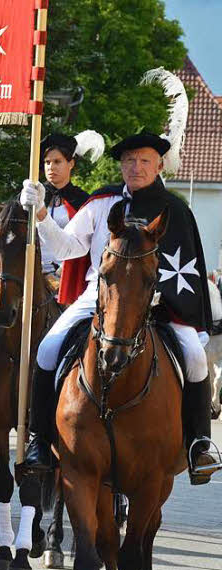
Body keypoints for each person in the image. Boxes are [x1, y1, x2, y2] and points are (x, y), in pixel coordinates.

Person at [19, 129, 217, 483]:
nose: (136, 167)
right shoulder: (101, 203)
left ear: (158, 166)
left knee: (195, 356)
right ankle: (40, 439)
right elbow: (66, 249)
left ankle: (199, 442)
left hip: (161, 302)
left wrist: (161, 296)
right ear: (121, 166)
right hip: (100, 295)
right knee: (48, 348)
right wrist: (41, 218)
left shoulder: (175, 210)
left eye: (144, 161)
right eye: (129, 161)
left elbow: (184, 267)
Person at [0, 131, 103, 399]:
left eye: (57, 162)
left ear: (71, 164)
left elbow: (79, 246)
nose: (51, 168)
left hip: (63, 276)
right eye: (47, 163)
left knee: (83, 325)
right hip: (23, 275)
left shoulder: (84, 202)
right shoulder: (30, 197)